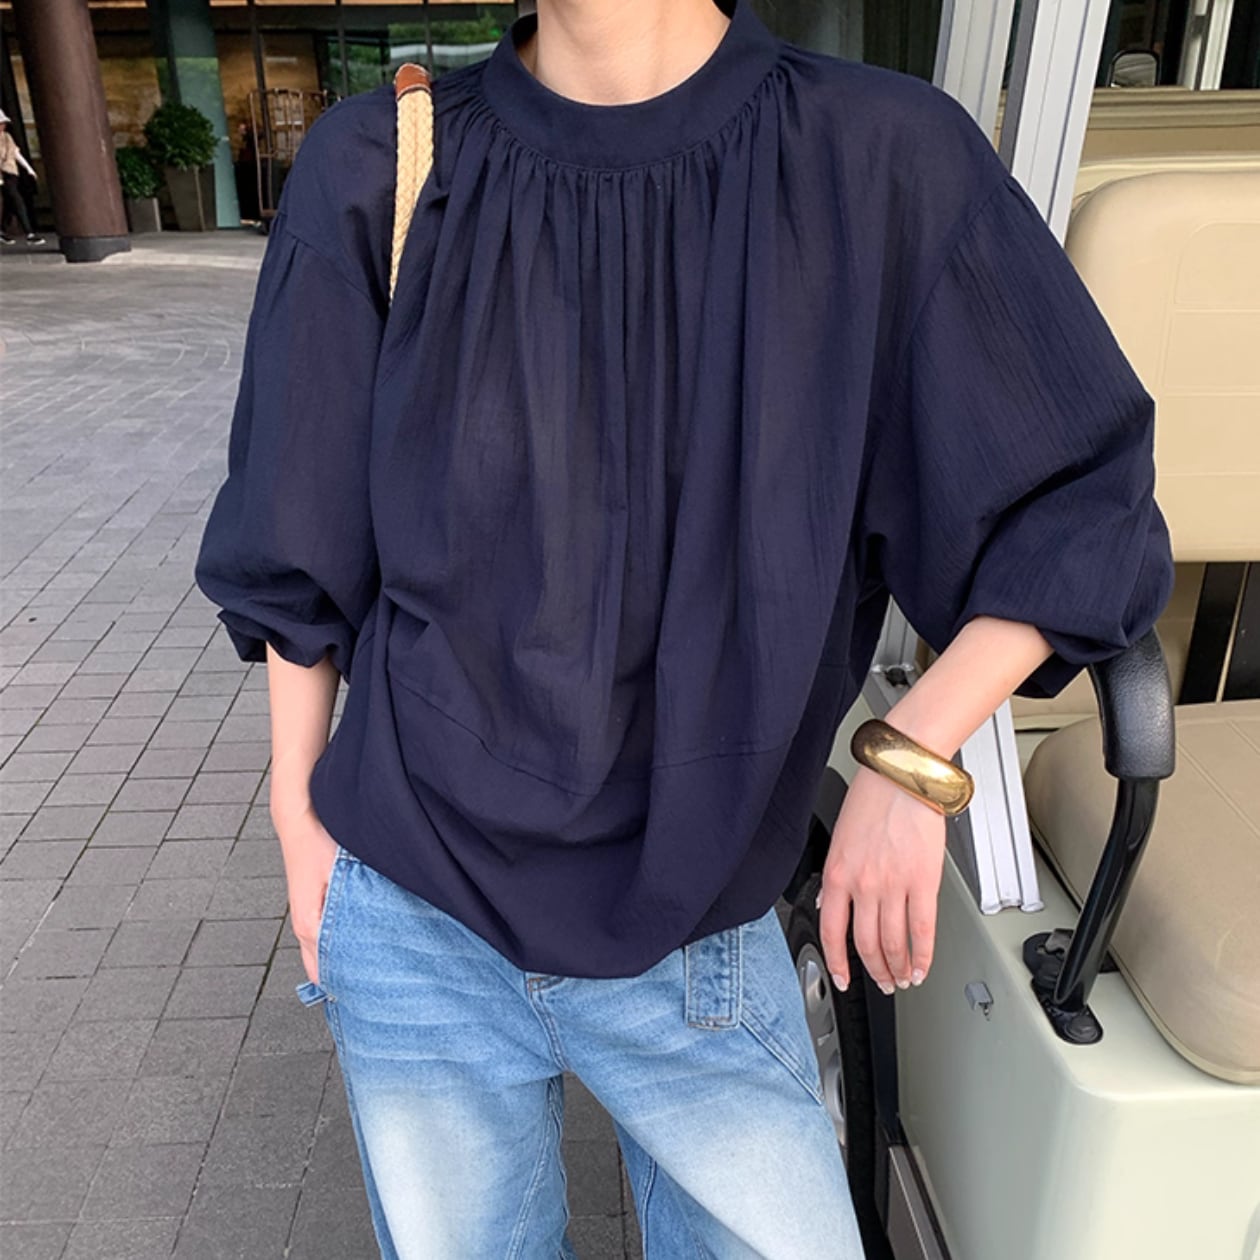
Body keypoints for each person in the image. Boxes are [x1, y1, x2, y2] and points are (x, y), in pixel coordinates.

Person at [194, 1, 1174, 1256]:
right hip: (415, 907)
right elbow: (298, 529)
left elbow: (1082, 500)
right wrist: (298, 814)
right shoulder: (381, 162)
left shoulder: (878, 159)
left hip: (698, 925)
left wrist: (912, 757)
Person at [0, 108, 45, 246]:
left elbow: (16, 153)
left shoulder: (7, 137)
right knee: (15, 199)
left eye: (3, 123)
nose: (3, 126)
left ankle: (3, 231)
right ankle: (29, 232)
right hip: (2, 173)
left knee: (10, 202)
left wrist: (28, 169)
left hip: (11, 172)